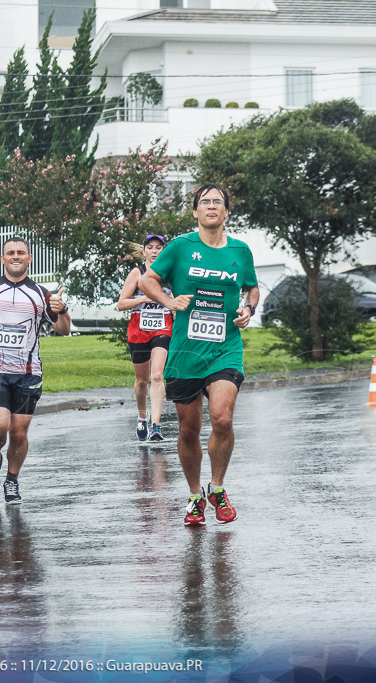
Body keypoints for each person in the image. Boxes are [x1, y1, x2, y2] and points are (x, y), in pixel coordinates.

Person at [139, 185, 259, 526]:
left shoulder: (240, 250)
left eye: (217, 202)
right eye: (204, 202)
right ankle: (195, 496)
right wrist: (168, 301)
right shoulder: (179, 247)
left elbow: (252, 287)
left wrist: (248, 308)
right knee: (189, 430)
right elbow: (149, 280)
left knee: (222, 419)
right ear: (195, 212)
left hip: (225, 347)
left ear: (226, 212)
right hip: (186, 351)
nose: (210, 206)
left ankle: (217, 488)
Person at [0, 236, 70, 505]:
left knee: (18, 434)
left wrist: (62, 310)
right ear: (2, 259)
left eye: (21, 252)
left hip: (29, 373)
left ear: (29, 259)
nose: (15, 256)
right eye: (10, 253)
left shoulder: (42, 295)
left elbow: (63, 329)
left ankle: (12, 481)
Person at [117, 235, 173, 442]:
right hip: (139, 328)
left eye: (159, 247)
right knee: (142, 380)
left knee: (157, 375)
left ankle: (156, 426)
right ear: (144, 252)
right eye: (150, 247)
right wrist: (144, 298)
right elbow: (121, 304)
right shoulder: (137, 273)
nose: (155, 251)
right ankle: (142, 417)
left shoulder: (170, 274)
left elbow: (176, 300)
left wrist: (172, 305)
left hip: (163, 327)